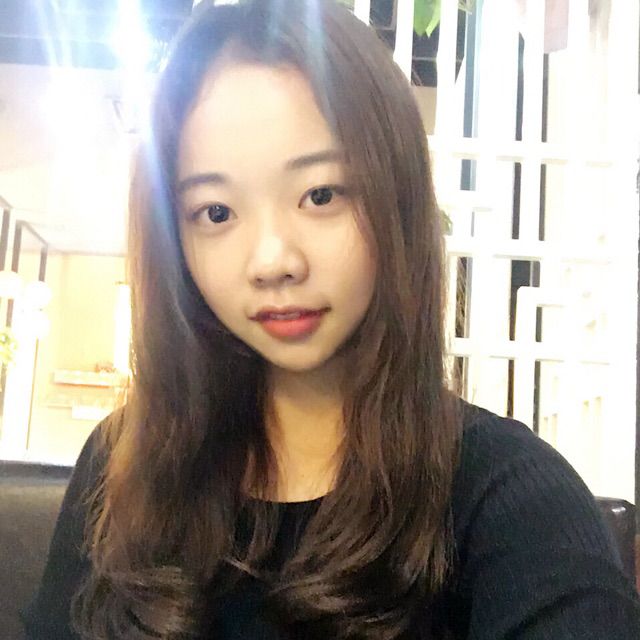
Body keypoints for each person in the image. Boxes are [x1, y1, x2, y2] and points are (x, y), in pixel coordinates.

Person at [21, 1, 640, 638]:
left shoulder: (508, 494)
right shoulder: (123, 466)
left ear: (396, 197)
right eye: (215, 212)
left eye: (320, 195)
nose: (272, 261)